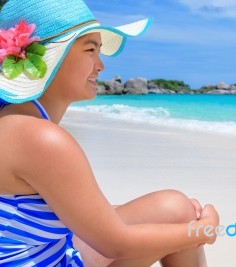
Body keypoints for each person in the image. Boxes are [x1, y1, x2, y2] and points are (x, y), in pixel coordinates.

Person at [0, 0, 219, 266]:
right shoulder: (37, 137)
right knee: (183, 220)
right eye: (90, 49)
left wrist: (179, 223)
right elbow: (116, 244)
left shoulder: (15, 120)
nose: (101, 65)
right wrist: (204, 230)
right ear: (48, 59)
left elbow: (77, 213)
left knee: (174, 208)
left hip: (53, 252)